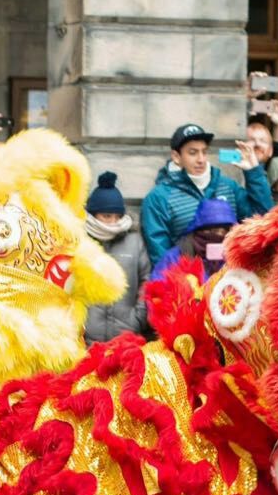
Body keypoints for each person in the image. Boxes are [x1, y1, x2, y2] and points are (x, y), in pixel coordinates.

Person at [141, 124, 266, 267]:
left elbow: (262, 223)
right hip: (187, 281)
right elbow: (160, 257)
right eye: (193, 153)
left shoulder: (228, 187)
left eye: (204, 152)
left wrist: (254, 174)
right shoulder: (158, 198)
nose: (201, 159)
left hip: (229, 281)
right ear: (176, 156)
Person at [81, 172, 150, 344]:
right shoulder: (79, 242)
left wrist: (138, 317)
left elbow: (146, 281)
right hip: (86, 340)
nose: (113, 223)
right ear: (93, 215)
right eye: (106, 216)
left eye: (117, 216)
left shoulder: (135, 241)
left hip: (126, 337)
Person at [151, 198, 236, 281]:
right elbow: (157, 288)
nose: (217, 235)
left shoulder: (239, 258)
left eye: (223, 231)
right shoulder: (174, 257)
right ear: (198, 230)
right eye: (209, 230)